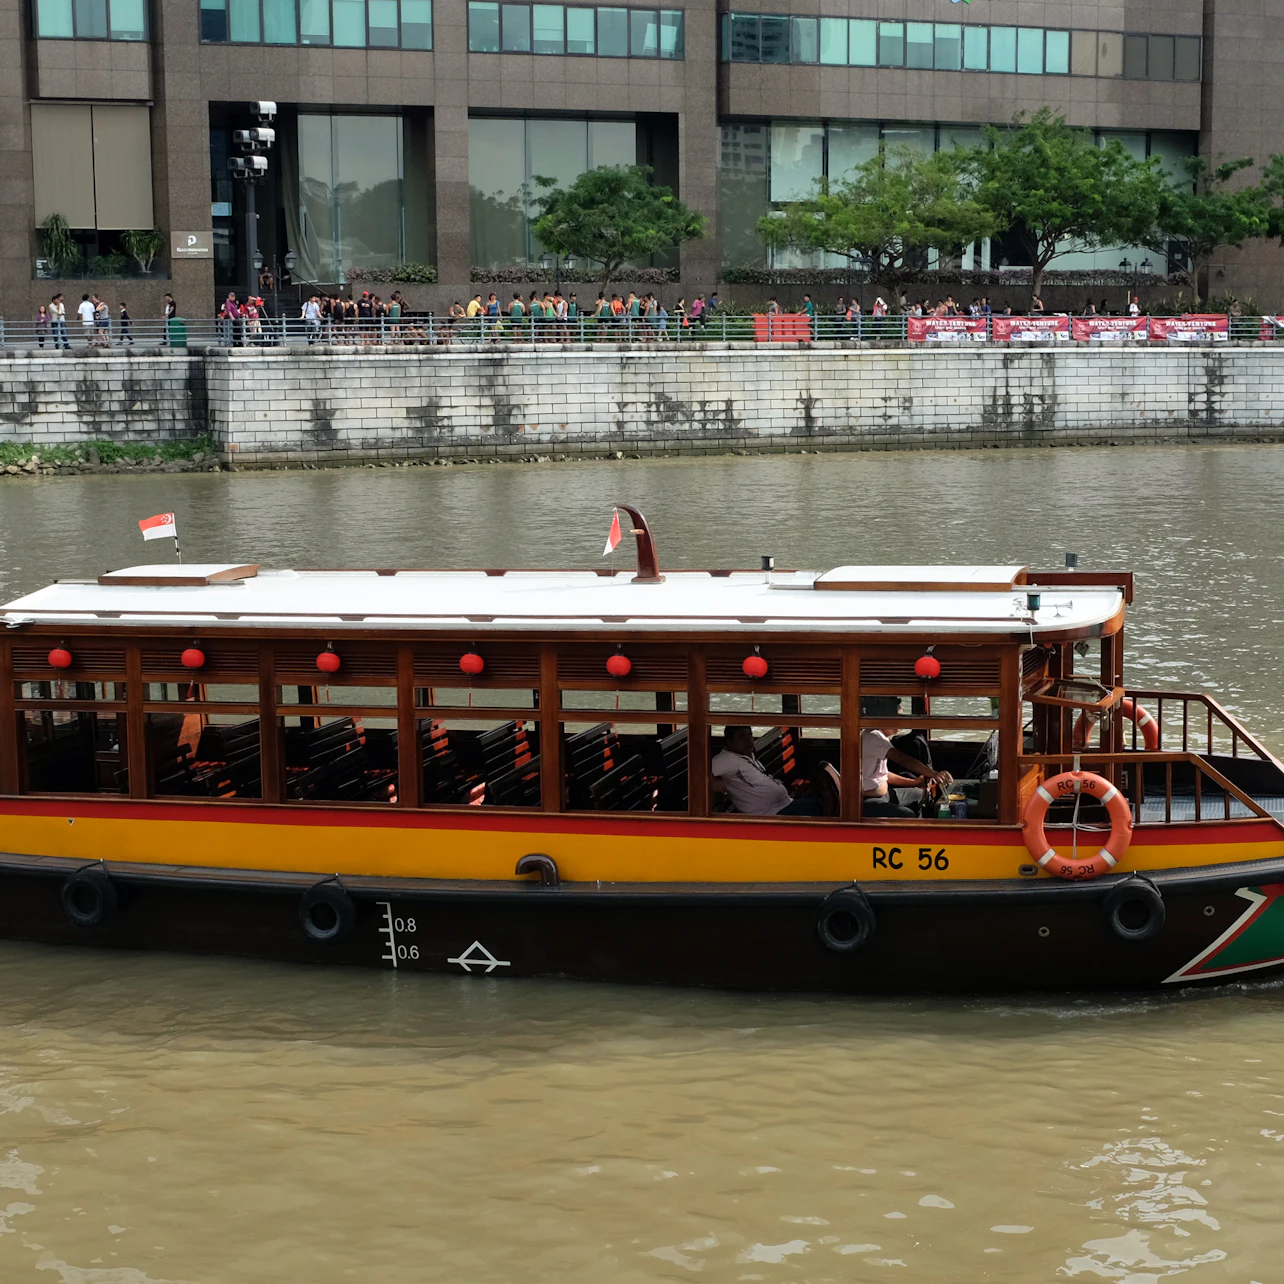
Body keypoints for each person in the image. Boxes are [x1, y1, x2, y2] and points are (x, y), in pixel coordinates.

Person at [859, 701, 952, 818]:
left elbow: (883, 774)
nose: (901, 723)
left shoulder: (877, 736)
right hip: (868, 801)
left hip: (883, 795)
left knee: (920, 795)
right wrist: (933, 773)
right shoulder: (874, 736)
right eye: (898, 718)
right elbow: (903, 759)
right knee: (907, 815)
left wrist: (913, 783)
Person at [712, 726, 821, 817]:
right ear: (729, 741)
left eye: (749, 735)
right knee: (823, 809)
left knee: (822, 801)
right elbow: (702, 770)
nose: (748, 740)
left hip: (784, 804)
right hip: (770, 814)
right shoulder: (726, 759)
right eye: (742, 736)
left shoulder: (745, 754)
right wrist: (712, 779)